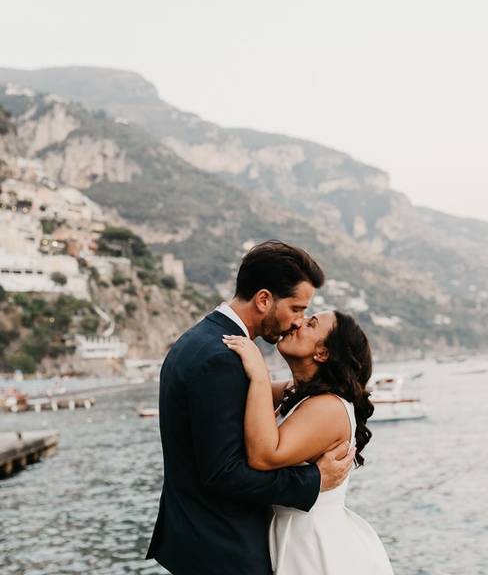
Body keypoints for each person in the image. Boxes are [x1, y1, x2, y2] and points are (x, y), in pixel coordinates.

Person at [147, 241, 356, 575]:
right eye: (297, 308)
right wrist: (313, 479)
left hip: (204, 539)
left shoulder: (204, 341)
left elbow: (242, 405)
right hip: (223, 548)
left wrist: (302, 385)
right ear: (264, 300)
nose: (297, 322)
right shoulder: (222, 358)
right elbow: (224, 474)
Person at [224, 310, 394, 574]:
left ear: (323, 353)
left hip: (314, 546)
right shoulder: (297, 392)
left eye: (310, 323)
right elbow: (238, 394)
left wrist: (260, 375)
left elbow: (264, 455)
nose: (297, 322)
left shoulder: (329, 407)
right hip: (290, 533)